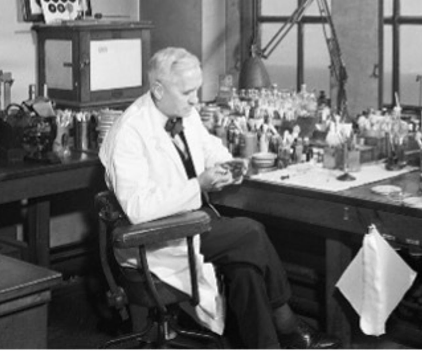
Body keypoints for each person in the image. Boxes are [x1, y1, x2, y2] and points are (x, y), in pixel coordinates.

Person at [99, 46, 340, 349]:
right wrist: (198, 183)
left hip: (192, 221)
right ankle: (286, 321)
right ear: (158, 89)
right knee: (251, 233)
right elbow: (137, 208)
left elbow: (208, 146)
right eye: (188, 92)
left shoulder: (182, 111)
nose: (195, 100)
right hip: (156, 237)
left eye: (197, 90)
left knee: (247, 269)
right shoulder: (130, 132)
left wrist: (228, 165)